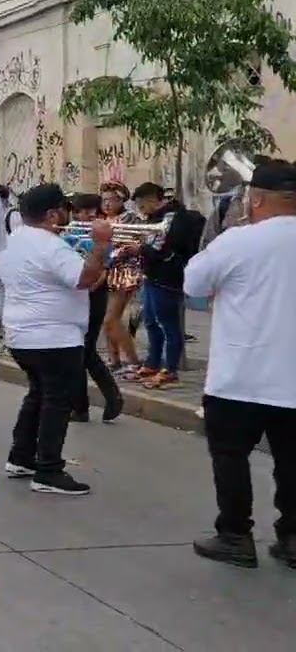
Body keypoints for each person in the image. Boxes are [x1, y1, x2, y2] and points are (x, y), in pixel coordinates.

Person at [184, 160, 296, 570]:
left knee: (231, 456)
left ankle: (235, 535)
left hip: (240, 377)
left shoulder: (237, 241)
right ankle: (293, 538)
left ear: (257, 199)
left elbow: (194, 285)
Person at [0, 184, 111, 498]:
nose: (69, 215)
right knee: (57, 402)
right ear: (51, 214)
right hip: (55, 337)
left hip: (22, 336)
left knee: (38, 394)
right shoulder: (51, 245)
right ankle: (49, 469)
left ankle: (21, 457)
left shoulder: (12, 241)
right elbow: (85, 280)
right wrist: (100, 245)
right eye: (64, 208)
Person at [121, 182, 206, 390]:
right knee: (150, 322)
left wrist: (140, 249)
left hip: (168, 279)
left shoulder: (172, 220)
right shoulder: (155, 219)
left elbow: (164, 251)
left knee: (169, 325)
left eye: (142, 206)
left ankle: (170, 370)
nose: (141, 212)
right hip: (153, 276)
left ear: (152, 200)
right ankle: (152, 363)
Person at [65, 194, 123, 423]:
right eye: (84, 211)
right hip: (76, 294)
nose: (89, 215)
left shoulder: (101, 234)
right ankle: (98, 401)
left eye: (92, 211)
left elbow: (104, 269)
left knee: (83, 350)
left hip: (93, 294)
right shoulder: (68, 233)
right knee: (82, 351)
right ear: (75, 212)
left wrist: (88, 285)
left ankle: (90, 404)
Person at [98, 184, 143, 373]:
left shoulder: (130, 218)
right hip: (107, 271)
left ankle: (133, 361)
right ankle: (113, 360)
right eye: (104, 200)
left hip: (124, 271)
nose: (106, 204)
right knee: (105, 318)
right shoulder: (104, 219)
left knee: (111, 319)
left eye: (111, 200)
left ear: (121, 200)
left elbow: (135, 243)